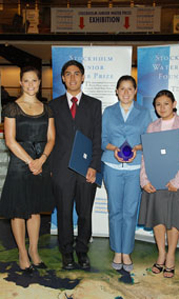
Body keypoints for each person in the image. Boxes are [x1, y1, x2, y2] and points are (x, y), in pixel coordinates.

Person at [0, 66, 55, 273]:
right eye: (27, 81)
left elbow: (51, 138)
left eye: (35, 81)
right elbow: (10, 140)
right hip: (20, 164)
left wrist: (41, 159)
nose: (31, 84)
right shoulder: (12, 108)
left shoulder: (47, 109)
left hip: (41, 162)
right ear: (21, 83)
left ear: (40, 83)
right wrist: (31, 161)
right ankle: (22, 253)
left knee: (35, 209)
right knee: (18, 210)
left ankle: (34, 251)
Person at [139, 90, 179, 278]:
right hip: (155, 183)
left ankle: (171, 256)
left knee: (173, 220)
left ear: (174, 103)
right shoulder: (152, 126)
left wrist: (177, 180)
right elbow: (146, 156)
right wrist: (144, 180)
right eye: (158, 104)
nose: (162, 107)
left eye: (166, 103)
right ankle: (161, 255)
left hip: (175, 183)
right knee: (158, 219)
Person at [49, 60, 102, 270]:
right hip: (62, 170)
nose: (72, 77)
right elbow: (49, 140)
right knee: (63, 213)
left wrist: (94, 166)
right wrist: (51, 168)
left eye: (76, 73)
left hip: (86, 170)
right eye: (68, 74)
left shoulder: (94, 104)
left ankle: (82, 250)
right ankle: (67, 253)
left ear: (83, 77)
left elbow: (97, 138)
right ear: (62, 78)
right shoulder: (53, 106)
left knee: (84, 213)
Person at [101, 75, 151, 272]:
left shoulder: (144, 112)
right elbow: (103, 139)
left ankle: (127, 251)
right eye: (122, 88)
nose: (126, 92)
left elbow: (148, 139)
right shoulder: (108, 112)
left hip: (135, 168)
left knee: (130, 212)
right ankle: (117, 251)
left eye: (130, 88)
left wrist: (136, 148)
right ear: (116, 91)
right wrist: (114, 149)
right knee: (115, 210)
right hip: (112, 167)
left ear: (135, 91)